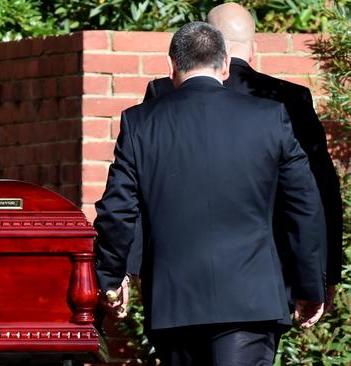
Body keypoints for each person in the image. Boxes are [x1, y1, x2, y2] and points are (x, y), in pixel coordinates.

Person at [94, 22, 326, 365]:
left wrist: (112, 276)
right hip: (251, 301)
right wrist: (309, 286)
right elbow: (304, 207)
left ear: (172, 64)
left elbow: (118, 210)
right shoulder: (269, 117)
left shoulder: (140, 123)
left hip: (175, 305)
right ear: (226, 66)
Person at [138, 3, 342, 312]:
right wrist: (322, 274)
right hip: (266, 278)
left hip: (175, 278)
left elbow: (139, 188)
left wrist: (129, 270)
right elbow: (318, 190)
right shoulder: (288, 99)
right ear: (254, 47)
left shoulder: (163, 93)